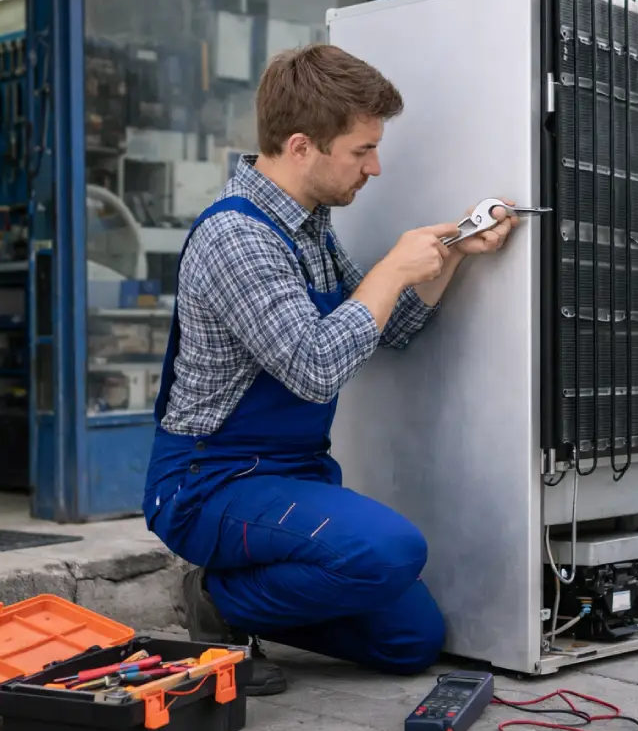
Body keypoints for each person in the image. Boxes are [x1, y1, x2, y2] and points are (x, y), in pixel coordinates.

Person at [143, 44, 518, 697]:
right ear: (300, 147)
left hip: (290, 474)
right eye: (360, 151)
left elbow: (391, 326)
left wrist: (455, 246)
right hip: (209, 480)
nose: (375, 167)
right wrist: (391, 268)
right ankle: (222, 599)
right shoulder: (237, 236)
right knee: (393, 550)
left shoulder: (311, 227)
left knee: (412, 640)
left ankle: (242, 600)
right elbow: (315, 367)